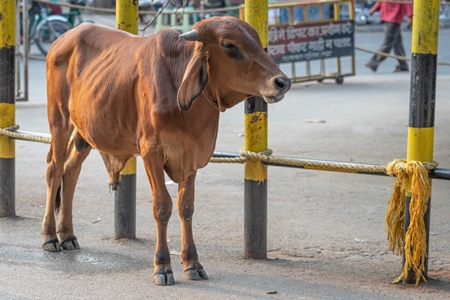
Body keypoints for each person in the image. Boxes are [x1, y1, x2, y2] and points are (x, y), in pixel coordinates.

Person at [364, 1, 413, 73]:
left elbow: (406, 2)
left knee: (388, 43)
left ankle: (373, 62)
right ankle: (403, 65)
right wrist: (374, 8)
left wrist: (410, 16)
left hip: (394, 16)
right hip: (387, 15)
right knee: (397, 43)